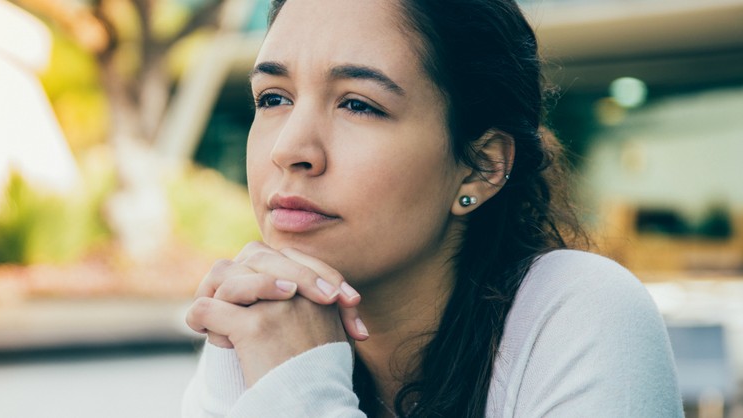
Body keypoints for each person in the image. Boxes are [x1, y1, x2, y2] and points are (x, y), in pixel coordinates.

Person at [182, 0, 684, 416]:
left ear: (479, 167)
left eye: (358, 104)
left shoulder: (578, 311)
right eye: (273, 98)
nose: (290, 149)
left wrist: (298, 390)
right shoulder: (263, 321)